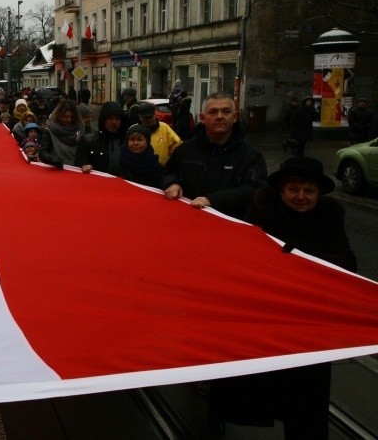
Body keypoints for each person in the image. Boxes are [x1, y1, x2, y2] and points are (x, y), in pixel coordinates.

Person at [208, 157, 356, 438]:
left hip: (310, 323)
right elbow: (242, 259)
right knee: (249, 380)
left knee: (306, 401)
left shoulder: (330, 216)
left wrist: (304, 256)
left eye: (309, 191)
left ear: (318, 193)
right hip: (266, 317)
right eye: (294, 189)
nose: (301, 197)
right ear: (281, 190)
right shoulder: (261, 213)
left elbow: (347, 262)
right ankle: (217, 418)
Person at [163, 92, 268, 220]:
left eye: (226, 111)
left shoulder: (250, 155)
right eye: (213, 112)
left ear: (234, 117)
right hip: (188, 221)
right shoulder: (185, 150)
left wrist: (212, 200)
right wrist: (172, 183)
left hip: (230, 226)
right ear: (202, 117)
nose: (219, 116)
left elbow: (255, 190)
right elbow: (166, 172)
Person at [75, 101, 127, 176]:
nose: (114, 122)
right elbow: (79, 162)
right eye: (109, 118)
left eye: (117, 119)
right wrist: (84, 165)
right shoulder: (88, 140)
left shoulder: (128, 141)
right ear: (103, 120)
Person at [38, 101, 84, 169]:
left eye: (72, 117)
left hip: (77, 171)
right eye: (66, 117)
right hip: (59, 171)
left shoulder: (81, 128)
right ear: (58, 116)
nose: (69, 120)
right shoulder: (49, 132)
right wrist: (53, 160)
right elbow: (42, 153)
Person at [119, 124, 166, 188]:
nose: (136, 143)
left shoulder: (157, 168)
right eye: (132, 139)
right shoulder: (118, 166)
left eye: (140, 139)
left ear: (148, 142)